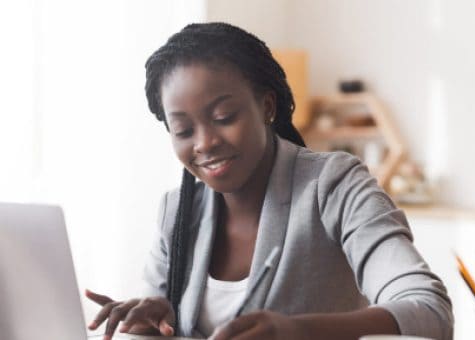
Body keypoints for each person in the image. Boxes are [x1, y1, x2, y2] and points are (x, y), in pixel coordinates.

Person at [86, 22, 453, 340]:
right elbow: (158, 326)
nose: (204, 143)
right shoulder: (177, 210)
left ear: (267, 107)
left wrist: (301, 332)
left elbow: (429, 311)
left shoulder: (334, 185)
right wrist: (151, 322)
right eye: (183, 129)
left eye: (224, 116)